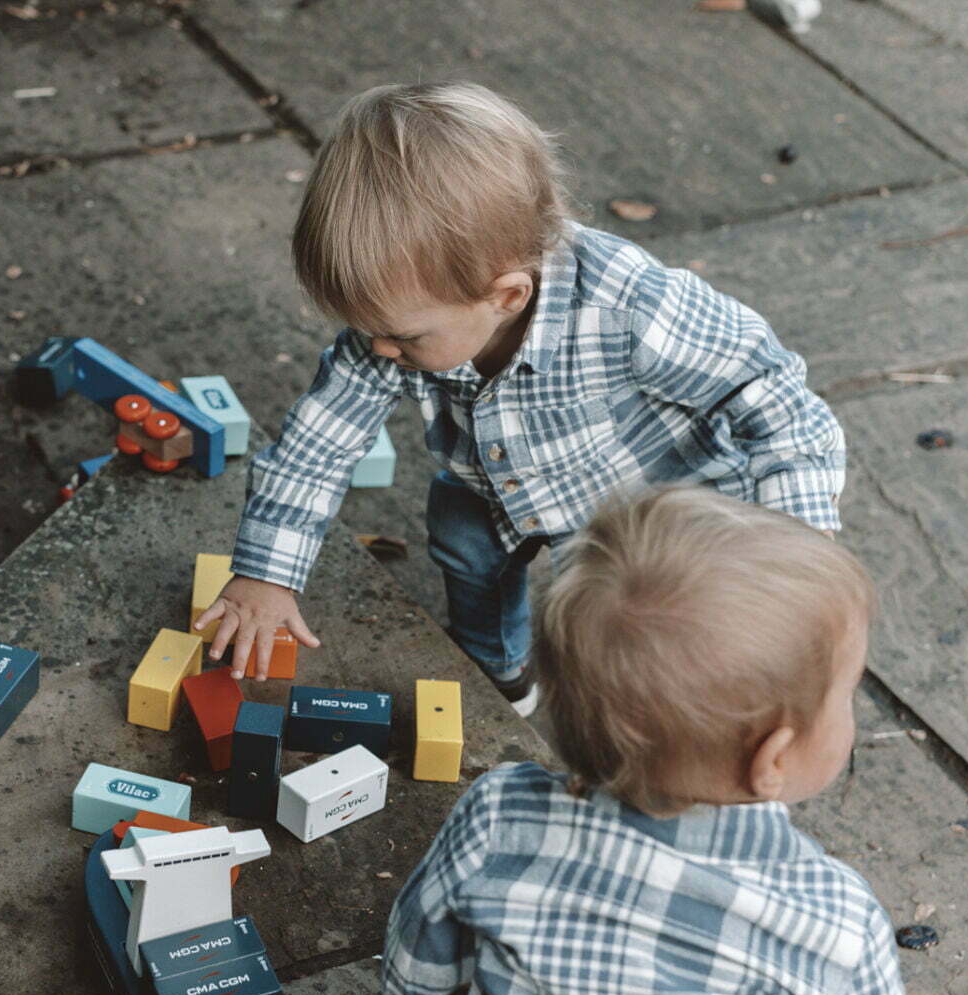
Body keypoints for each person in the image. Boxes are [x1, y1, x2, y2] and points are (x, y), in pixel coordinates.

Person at [383, 487, 919, 995]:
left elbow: (413, 984)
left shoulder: (498, 819)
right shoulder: (834, 922)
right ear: (773, 758)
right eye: (848, 694)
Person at [193, 82, 845, 715]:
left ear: (506, 296)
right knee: (462, 540)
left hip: (650, 512)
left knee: (635, 642)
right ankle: (496, 670)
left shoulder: (631, 306)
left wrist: (797, 545)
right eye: (367, 331)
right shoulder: (397, 327)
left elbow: (775, 397)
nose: (379, 349)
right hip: (497, 486)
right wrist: (266, 572)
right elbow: (316, 447)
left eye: (403, 336)